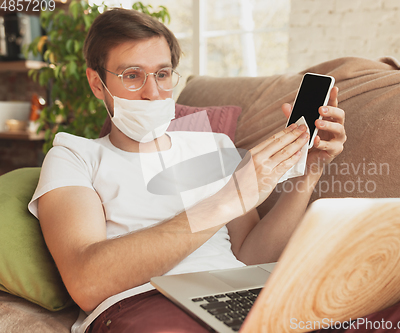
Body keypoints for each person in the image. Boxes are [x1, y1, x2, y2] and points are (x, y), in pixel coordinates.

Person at [28, 7, 346, 333]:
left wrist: (310, 170)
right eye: (132, 75)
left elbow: (252, 258)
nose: (153, 93)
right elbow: (87, 282)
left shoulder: (214, 145)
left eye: (162, 74)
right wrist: (228, 199)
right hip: (147, 302)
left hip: (238, 292)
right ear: (97, 83)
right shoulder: (74, 155)